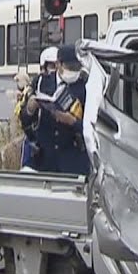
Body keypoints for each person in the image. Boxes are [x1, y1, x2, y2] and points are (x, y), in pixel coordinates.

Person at [40, 45, 92, 176]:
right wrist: (30, 109)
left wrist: (73, 122)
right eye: (70, 67)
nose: (74, 71)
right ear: (58, 64)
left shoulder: (85, 87)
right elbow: (27, 120)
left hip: (73, 162)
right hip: (46, 163)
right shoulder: (42, 82)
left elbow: (92, 126)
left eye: (76, 68)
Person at [19, 47, 61, 171]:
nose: (54, 71)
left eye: (57, 66)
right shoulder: (37, 83)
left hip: (61, 155)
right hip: (39, 152)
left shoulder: (70, 84)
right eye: (52, 66)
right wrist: (30, 109)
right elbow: (24, 119)